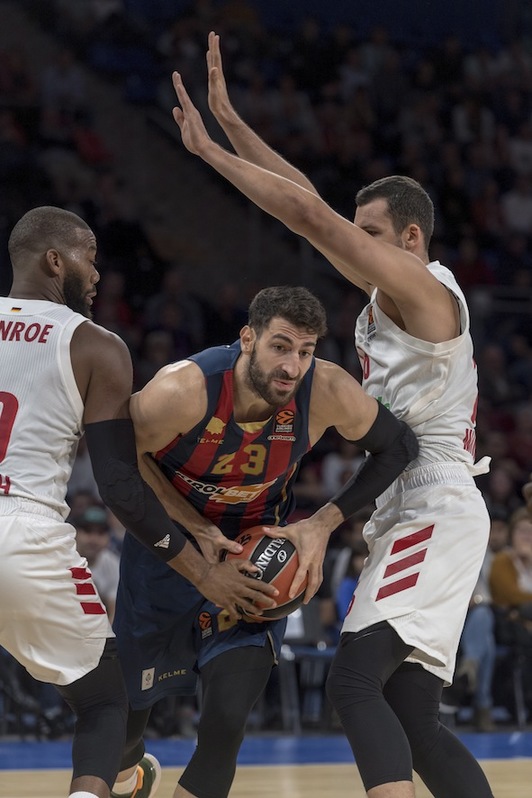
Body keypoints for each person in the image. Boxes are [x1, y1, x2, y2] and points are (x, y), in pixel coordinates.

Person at [169, 32, 494, 797]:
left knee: (352, 681)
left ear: (411, 238)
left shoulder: (427, 292)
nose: (357, 245)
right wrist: (232, 123)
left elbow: (312, 218)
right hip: (409, 502)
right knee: (411, 715)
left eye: (371, 234)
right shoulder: (392, 294)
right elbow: (308, 207)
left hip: (434, 501)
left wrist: (211, 154)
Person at [0, 205, 278, 798]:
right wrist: (199, 569)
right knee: (106, 701)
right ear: (55, 261)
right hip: (22, 532)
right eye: (89, 257)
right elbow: (120, 486)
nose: (98, 273)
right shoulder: (93, 345)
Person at [111, 284, 418, 798]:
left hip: (258, 559)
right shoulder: (183, 389)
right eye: (281, 346)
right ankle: (130, 771)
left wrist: (322, 523)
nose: (293, 366)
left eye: (306, 351)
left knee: (226, 722)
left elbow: (399, 446)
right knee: (123, 728)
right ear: (248, 339)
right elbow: (121, 459)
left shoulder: (326, 389)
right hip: (168, 552)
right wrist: (197, 527)